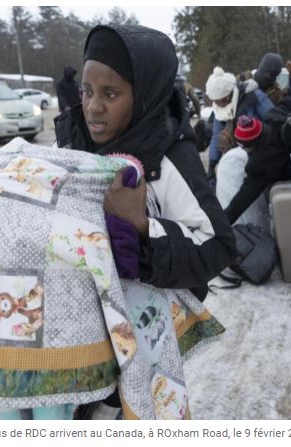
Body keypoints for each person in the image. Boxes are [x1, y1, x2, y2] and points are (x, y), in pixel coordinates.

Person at [55, 24, 237, 418]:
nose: (92, 107)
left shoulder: (170, 157)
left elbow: (220, 244)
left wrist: (144, 228)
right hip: (89, 329)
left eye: (110, 94)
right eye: (86, 91)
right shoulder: (80, 141)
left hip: (146, 334)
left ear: (144, 96)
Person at [205, 66, 274, 183]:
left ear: (227, 96)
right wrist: (212, 164)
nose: (215, 103)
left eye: (217, 101)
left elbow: (273, 118)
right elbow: (216, 135)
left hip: (259, 151)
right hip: (236, 157)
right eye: (214, 101)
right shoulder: (219, 106)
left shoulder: (253, 96)